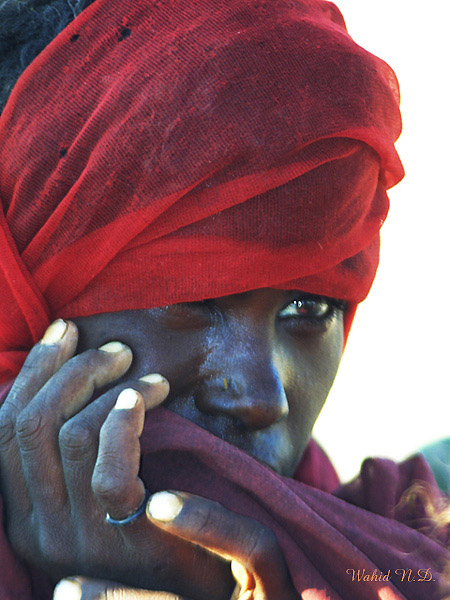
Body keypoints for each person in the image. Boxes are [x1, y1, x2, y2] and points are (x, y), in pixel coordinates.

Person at [0, 1, 449, 599]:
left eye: (309, 309)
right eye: (189, 293)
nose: (261, 397)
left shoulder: (407, 552)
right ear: (23, 293)